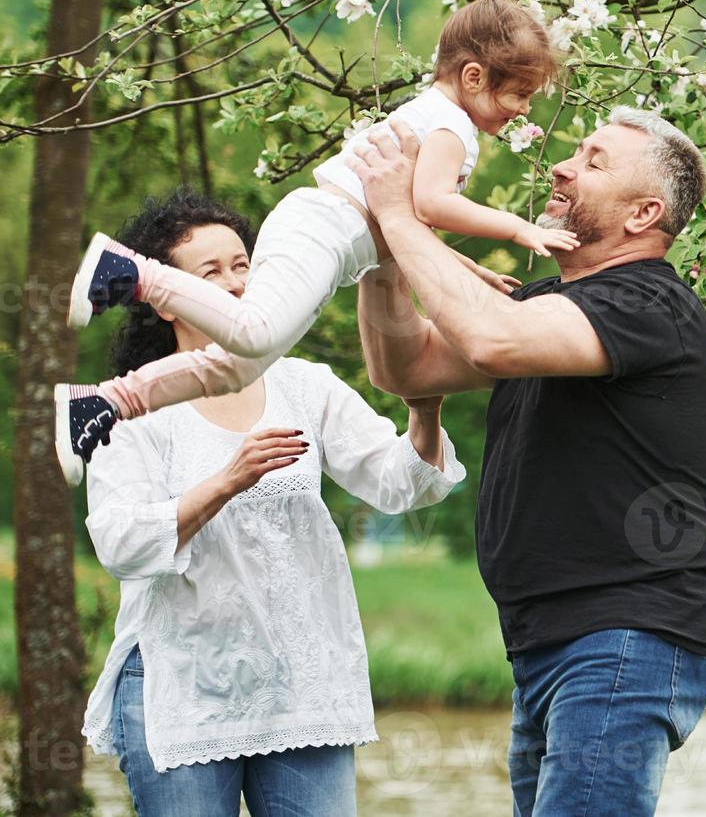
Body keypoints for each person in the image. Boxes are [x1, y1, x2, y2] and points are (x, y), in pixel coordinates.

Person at [350, 108, 706, 816]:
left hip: (622, 637)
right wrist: (381, 252)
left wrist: (404, 217)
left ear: (644, 214)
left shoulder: (651, 304)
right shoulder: (550, 305)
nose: (561, 165)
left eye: (593, 160)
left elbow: (494, 339)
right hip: (548, 641)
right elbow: (407, 367)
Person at [53, 0, 572, 486]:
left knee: (237, 366)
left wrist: (469, 269)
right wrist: (517, 226)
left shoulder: (439, 114)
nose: (524, 109)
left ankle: (106, 403)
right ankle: (131, 272)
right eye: (519, 94)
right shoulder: (452, 128)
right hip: (321, 233)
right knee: (253, 334)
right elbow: (435, 204)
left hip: (327, 241)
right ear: (475, 76)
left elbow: (410, 223)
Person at [80, 189, 466, 816]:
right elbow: (121, 545)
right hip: (184, 687)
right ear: (165, 298)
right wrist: (223, 483)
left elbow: (402, 483)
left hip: (305, 687)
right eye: (211, 273)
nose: (236, 283)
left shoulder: (303, 383)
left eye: (243, 265)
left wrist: (424, 403)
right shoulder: (129, 407)